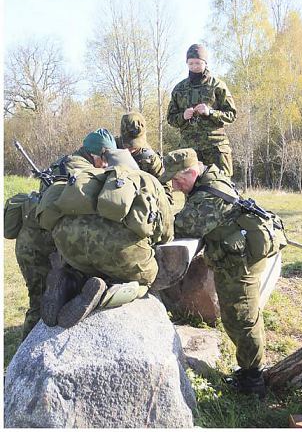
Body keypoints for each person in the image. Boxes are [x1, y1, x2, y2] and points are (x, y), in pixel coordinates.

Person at [160, 148, 287, 398]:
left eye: (177, 179)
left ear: (193, 171)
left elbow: (182, 225)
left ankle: (253, 382)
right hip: (230, 261)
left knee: (244, 319)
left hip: (241, 265)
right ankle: (247, 370)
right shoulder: (206, 182)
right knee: (232, 317)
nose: (174, 186)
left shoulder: (209, 196)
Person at [38, 147, 174, 329]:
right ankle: (105, 295)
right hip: (120, 252)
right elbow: (165, 234)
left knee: (85, 267)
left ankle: (68, 281)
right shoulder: (146, 180)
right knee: (148, 278)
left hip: (70, 249)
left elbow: (49, 218)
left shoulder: (85, 177)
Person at [11, 128, 117, 339]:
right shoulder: (78, 169)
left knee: (57, 293)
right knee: (40, 301)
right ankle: (24, 363)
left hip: (48, 237)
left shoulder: (68, 161)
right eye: (105, 159)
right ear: (96, 154)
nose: (106, 164)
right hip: (36, 245)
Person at [166, 44, 237, 177]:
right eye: (190, 63)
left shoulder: (217, 86)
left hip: (215, 147)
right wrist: (183, 116)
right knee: (191, 190)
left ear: (205, 63)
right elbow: (170, 118)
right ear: (186, 63)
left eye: (198, 63)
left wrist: (210, 112)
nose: (194, 66)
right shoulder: (179, 89)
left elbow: (231, 114)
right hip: (190, 150)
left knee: (222, 188)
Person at [117, 111, 164, 179]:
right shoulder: (113, 147)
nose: (131, 148)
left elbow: (165, 184)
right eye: (128, 144)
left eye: (136, 144)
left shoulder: (151, 158)